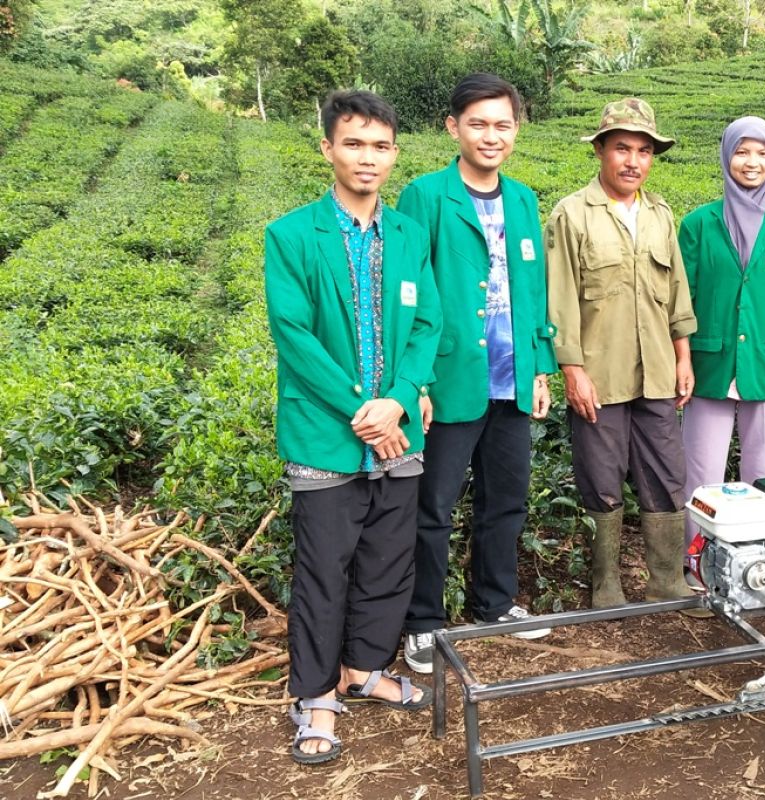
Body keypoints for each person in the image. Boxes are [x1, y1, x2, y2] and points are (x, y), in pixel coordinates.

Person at [264, 90, 442, 764]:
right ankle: (313, 696)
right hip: (327, 433)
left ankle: (365, 670)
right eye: (354, 143)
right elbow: (294, 335)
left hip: (399, 430)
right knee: (322, 572)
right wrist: (364, 412)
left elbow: (428, 323)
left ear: (393, 154)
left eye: (380, 145)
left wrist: (399, 397)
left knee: (388, 564)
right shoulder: (290, 235)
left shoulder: (407, 234)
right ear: (328, 150)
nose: (367, 157)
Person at [396, 73, 557, 675]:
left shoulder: (521, 199)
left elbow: (533, 289)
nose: (491, 136)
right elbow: (408, 295)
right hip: (449, 380)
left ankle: (495, 604)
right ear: (453, 127)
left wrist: (539, 367)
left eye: (503, 125)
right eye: (479, 123)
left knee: (506, 501)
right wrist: (417, 382)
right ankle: (423, 621)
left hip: (510, 379)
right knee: (432, 506)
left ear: (516, 130)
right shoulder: (424, 195)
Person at [545, 98, 699, 609]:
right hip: (599, 374)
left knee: (666, 470)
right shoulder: (571, 214)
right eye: (622, 149)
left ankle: (665, 579)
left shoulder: (660, 215)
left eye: (643, 151)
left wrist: (683, 356)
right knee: (601, 473)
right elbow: (560, 296)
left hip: (655, 369)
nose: (633, 160)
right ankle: (606, 583)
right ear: (600, 151)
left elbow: (676, 290)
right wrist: (572, 369)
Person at [679, 116, 765, 557]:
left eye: (763, 153)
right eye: (742, 151)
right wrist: (682, 363)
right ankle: (698, 567)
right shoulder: (699, 223)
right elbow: (684, 299)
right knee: (700, 475)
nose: (751, 162)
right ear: (726, 156)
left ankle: (764, 566)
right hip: (708, 367)